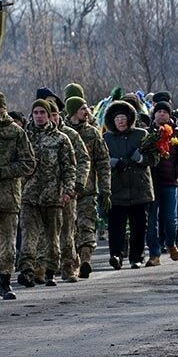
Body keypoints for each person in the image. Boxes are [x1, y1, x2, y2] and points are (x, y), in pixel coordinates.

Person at [18, 99, 78, 287]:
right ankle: (27, 269)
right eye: (36, 112)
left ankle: (51, 270)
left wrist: (68, 190)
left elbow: (69, 167)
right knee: (29, 235)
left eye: (42, 112)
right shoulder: (24, 136)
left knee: (52, 238)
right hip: (29, 195)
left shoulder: (61, 139)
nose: (39, 116)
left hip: (53, 196)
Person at [0, 91, 35, 299]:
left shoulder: (15, 132)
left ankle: (5, 281)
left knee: (7, 244)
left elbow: (28, 163)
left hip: (8, 197)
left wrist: (3, 172)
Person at [103, 100, 158, 269]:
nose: (120, 121)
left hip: (139, 188)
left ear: (129, 119)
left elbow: (154, 158)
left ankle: (136, 257)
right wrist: (112, 162)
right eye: (117, 118)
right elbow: (100, 160)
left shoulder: (141, 135)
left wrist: (141, 158)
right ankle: (116, 256)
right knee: (116, 226)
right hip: (116, 189)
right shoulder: (106, 138)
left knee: (139, 225)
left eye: (123, 117)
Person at [65, 95, 111, 279]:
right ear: (73, 112)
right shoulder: (64, 133)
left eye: (86, 108)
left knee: (87, 225)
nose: (87, 112)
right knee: (70, 229)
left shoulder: (92, 133)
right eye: (82, 108)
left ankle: (85, 260)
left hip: (88, 189)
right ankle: (73, 261)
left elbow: (103, 162)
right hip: (66, 191)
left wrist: (105, 189)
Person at [49, 99, 91, 282]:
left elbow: (83, 160)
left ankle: (68, 267)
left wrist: (77, 184)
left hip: (67, 190)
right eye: (47, 114)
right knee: (47, 232)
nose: (51, 118)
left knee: (67, 230)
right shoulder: (31, 134)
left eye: (54, 114)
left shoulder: (70, 136)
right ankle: (45, 267)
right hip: (42, 192)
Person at [145, 101, 178, 265]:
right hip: (150, 184)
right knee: (151, 221)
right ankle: (154, 254)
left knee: (170, 219)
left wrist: (176, 173)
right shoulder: (147, 134)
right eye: (159, 111)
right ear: (154, 114)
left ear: (170, 115)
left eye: (165, 112)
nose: (161, 114)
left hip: (170, 183)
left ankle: (171, 243)